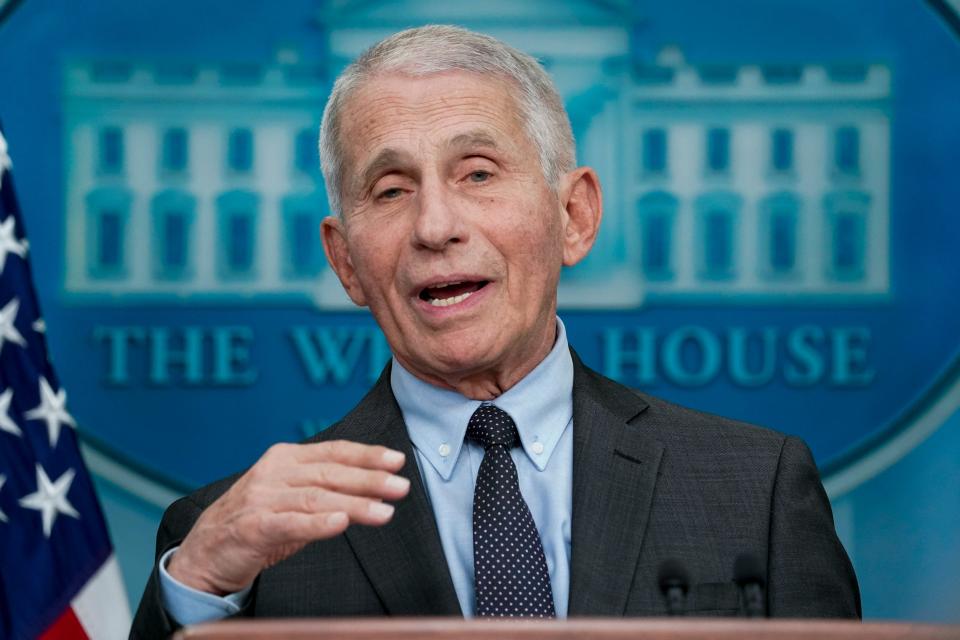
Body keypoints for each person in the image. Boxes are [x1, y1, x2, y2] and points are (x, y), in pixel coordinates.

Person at [131, 25, 860, 637]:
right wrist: (199, 588)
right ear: (346, 262)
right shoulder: (224, 543)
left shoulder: (755, 489)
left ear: (574, 216)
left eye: (477, 174)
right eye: (391, 190)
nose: (436, 227)